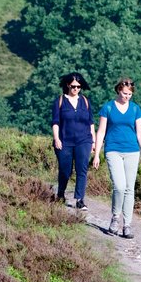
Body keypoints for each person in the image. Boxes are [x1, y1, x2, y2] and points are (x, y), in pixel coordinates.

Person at [92, 77, 141, 238]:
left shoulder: (135, 109)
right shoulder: (108, 108)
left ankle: (128, 225)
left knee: (130, 188)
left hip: (132, 150)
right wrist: (97, 154)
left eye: (130, 94)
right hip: (113, 150)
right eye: (125, 93)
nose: (127, 97)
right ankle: (115, 218)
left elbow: (140, 132)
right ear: (118, 90)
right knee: (119, 186)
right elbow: (101, 131)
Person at [51, 71, 94, 210]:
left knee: (82, 169)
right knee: (65, 170)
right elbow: (55, 122)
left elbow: (91, 122)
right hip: (65, 141)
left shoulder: (85, 101)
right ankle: (61, 193)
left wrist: (93, 141)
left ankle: (80, 200)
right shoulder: (60, 101)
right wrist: (57, 138)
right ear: (68, 85)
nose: (76, 89)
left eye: (79, 86)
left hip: (84, 140)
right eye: (74, 86)